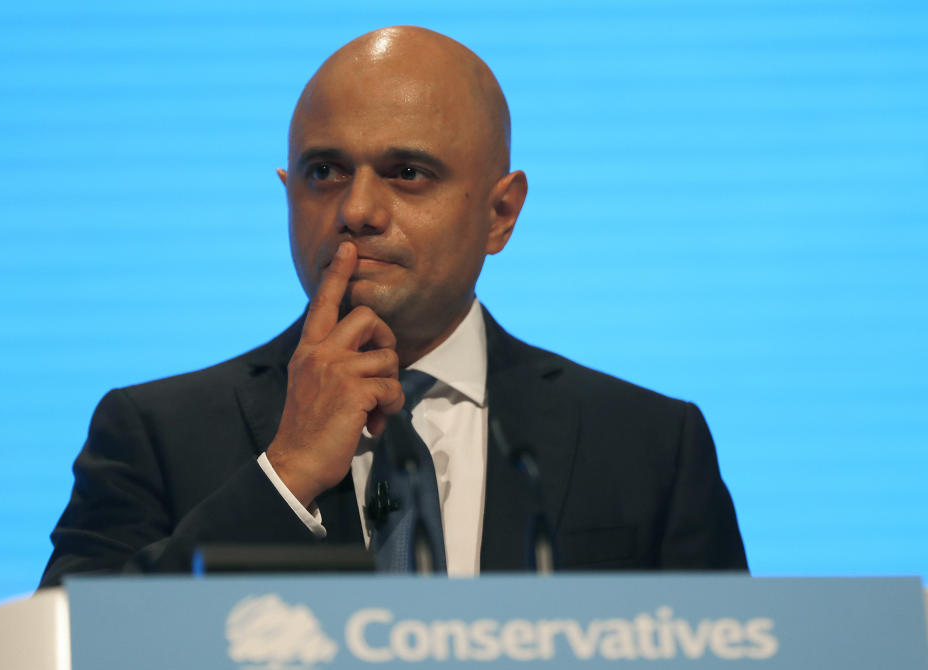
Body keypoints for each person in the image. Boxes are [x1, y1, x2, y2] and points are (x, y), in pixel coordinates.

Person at [40, 26, 746, 587]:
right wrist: (284, 476)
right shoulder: (153, 434)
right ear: (289, 193)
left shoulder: (650, 446)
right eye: (326, 173)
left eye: (407, 173)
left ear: (501, 213)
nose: (357, 210)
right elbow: (63, 656)